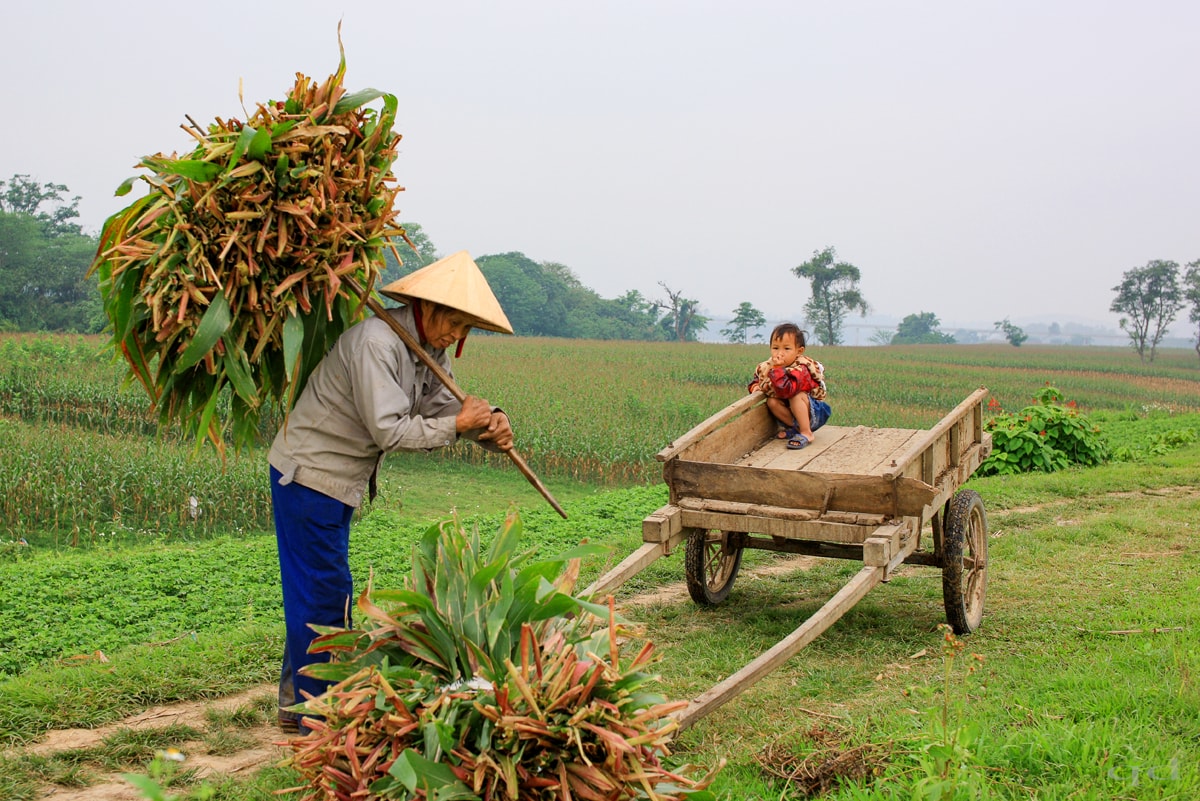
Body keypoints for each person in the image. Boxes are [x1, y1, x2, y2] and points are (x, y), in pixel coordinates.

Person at [268, 251, 514, 734]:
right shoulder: (377, 344)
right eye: (455, 323)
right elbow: (391, 432)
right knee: (324, 595)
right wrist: (459, 424)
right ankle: (320, 720)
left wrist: (488, 425)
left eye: (468, 329)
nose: (458, 337)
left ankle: (296, 702)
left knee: (315, 590)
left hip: (339, 485)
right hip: (309, 477)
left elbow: (448, 408)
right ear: (427, 306)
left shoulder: (428, 351)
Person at [747, 322, 831, 449]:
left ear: (799, 351)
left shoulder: (802, 368)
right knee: (772, 401)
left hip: (814, 413)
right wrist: (756, 387)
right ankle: (795, 428)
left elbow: (787, 390)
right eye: (775, 348)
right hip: (791, 413)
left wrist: (778, 370)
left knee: (796, 396)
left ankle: (806, 432)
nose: (780, 353)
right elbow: (758, 379)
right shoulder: (767, 366)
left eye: (787, 349)